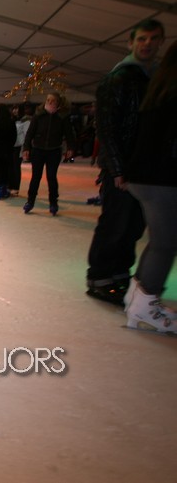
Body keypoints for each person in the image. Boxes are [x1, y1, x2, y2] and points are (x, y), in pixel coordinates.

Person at [86, 18, 165, 305]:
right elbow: (107, 127)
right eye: (142, 38)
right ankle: (100, 277)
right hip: (121, 168)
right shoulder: (119, 78)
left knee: (133, 225)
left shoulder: (156, 78)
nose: (147, 44)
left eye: (153, 39)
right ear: (131, 43)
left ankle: (119, 273)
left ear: (160, 42)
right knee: (115, 223)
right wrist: (117, 168)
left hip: (144, 167)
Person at [122, 39, 177, 333]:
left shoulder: (158, 92)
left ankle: (138, 297)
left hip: (146, 176)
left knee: (160, 240)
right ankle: (145, 304)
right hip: (161, 178)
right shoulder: (171, 95)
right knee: (166, 243)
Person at [22, 94, 75, 214]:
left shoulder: (62, 117)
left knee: (51, 177)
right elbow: (30, 133)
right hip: (38, 150)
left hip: (54, 151)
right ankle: (30, 201)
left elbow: (69, 134)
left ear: (58, 103)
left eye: (53, 101)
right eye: (48, 100)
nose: (50, 102)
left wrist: (70, 148)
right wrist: (26, 148)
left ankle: (53, 202)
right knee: (36, 177)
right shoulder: (38, 115)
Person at [9, 104, 33, 196]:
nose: (15, 111)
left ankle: (15, 187)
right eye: (14, 109)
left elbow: (27, 135)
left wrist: (25, 148)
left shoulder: (26, 121)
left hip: (19, 147)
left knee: (16, 167)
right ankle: (10, 186)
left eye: (17, 109)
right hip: (11, 146)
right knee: (10, 167)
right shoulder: (13, 120)